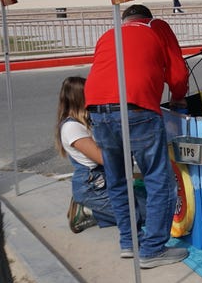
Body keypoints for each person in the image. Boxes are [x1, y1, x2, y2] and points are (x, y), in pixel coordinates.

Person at [86, 4, 189, 268]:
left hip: (97, 110)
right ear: (147, 18)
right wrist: (177, 98)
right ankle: (153, 249)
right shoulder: (157, 27)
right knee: (159, 181)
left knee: (118, 180)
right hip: (137, 107)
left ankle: (129, 243)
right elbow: (177, 73)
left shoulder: (109, 34)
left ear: (124, 20)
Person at [56, 76, 146, 233]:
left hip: (105, 181)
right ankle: (88, 211)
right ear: (81, 98)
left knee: (150, 201)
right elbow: (103, 158)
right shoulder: (71, 128)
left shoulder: (85, 121)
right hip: (93, 186)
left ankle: (96, 210)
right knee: (143, 214)